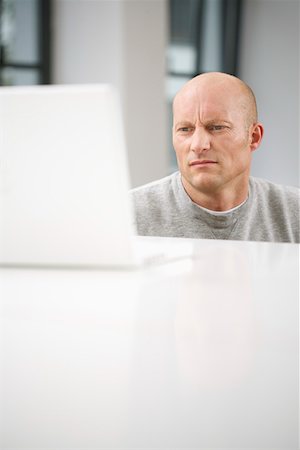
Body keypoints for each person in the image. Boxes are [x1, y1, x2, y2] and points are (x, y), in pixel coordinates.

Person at [130, 72, 299, 243]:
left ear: (254, 137)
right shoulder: (126, 215)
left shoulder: (294, 213)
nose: (198, 145)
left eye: (217, 127)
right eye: (185, 129)